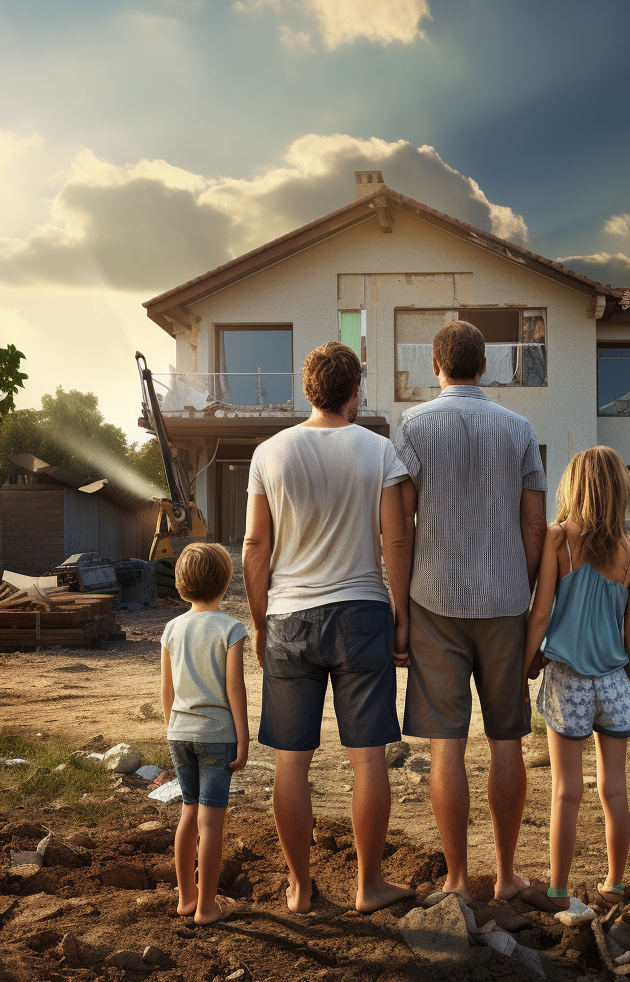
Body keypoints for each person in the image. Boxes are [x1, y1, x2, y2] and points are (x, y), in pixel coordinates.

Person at [243, 341, 415, 915]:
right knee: (366, 758)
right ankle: (368, 886)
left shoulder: (269, 453)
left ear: (307, 389)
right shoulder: (380, 452)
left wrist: (261, 620)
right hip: (361, 614)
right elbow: (396, 540)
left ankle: (298, 887)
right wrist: (402, 615)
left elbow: (254, 545)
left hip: (289, 616)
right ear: (355, 392)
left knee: (291, 762)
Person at [394, 319, 547, 903]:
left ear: (437, 365)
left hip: (433, 600)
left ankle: (457, 880)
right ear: (484, 366)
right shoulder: (519, 429)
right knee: (507, 740)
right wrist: (525, 590)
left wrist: (402, 609)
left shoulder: (412, 427)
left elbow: (402, 529)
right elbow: (535, 523)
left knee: (446, 746)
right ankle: (507, 876)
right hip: (506, 600)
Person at [520, 446, 630, 913]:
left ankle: (557, 889)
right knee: (614, 789)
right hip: (613, 681)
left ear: (574, 487)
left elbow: (540, 615)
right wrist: (628, 684)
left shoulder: (559, 541)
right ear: (620, 491)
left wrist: (524, 667)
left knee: (566, 790)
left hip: (568, 681)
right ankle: (614, 884)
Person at [160, 542, 249, 925]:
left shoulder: (171, 628)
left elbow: (167, 691)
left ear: (181, 585)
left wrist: (172, 728)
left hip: (178, 733)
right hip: (217, 735)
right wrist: (242, 737)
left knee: (187, 813)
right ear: (225, 583)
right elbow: (235, 689)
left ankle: (186, 899)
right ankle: (209, 907)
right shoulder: (229, 628)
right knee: (211, 822)